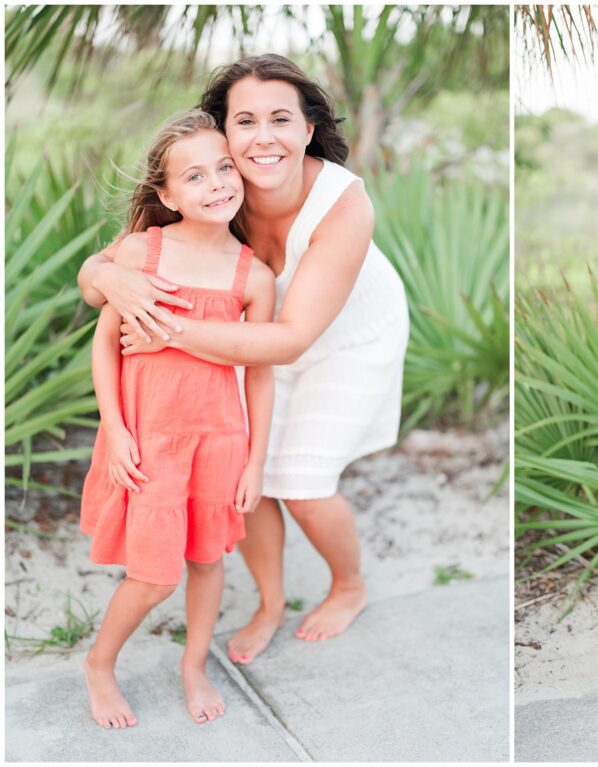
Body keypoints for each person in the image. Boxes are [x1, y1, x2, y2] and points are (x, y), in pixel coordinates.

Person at [77, 54, 409, 665]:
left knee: (301, 480)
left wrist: (167, 329)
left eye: (281, 119)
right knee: (247, 482)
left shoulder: (344, 203)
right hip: (241, 338)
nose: (264, 138)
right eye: (245, 121)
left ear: (309, 129)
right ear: (221, 130)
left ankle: (349, 584)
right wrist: (108, 277)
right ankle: (271, 602)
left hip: (347, 340)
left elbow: (290, 341)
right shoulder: (216, 185)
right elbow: (107, 269)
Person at [79, 110, 276, 729]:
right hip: (151, 436)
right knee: (154, 574)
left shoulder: (254, 275)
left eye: (224, 167)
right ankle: (99, 664)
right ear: (166, 194)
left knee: (207, 559)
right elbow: (105, 342)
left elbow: (261, 370)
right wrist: (114, 428)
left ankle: (194, 664)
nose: (217, 183)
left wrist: (256, 458)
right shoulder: (142, 252)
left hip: (220, 439)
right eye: (195, 176)